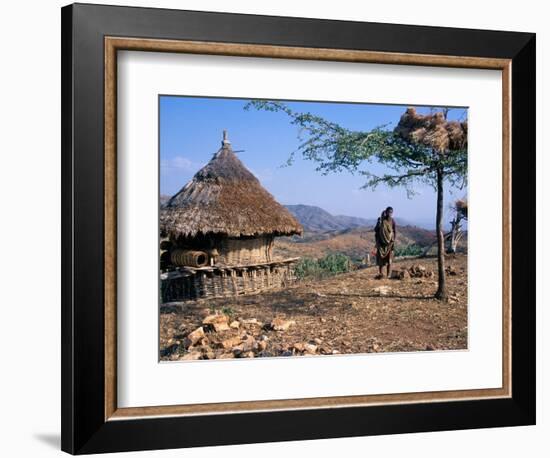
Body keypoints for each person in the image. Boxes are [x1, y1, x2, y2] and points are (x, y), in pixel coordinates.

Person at [374, 206, 396, 278]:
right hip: (381, 243)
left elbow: (394, 231)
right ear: (386, 212)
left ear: (392, 213)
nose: (390, 213)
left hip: (389, 244)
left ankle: (388, 275)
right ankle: (380, 274)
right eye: (388, 212)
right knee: (381, 260)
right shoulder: (381, 220)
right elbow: (376, 230)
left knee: (389, 260)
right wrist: (378, 222)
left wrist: (393, 241)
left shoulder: (392, 221)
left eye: (391, 212)